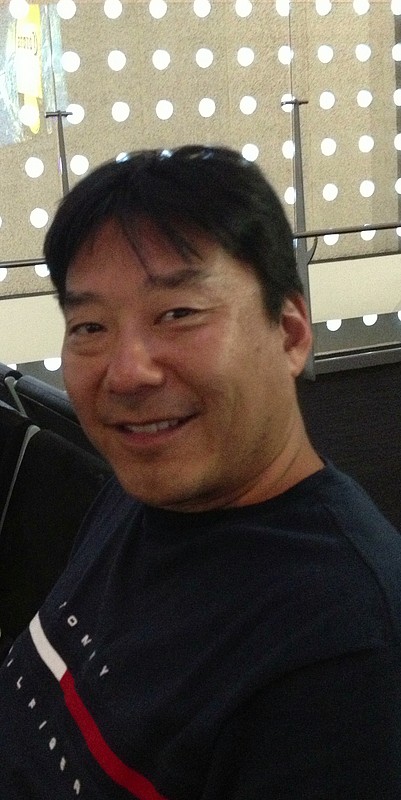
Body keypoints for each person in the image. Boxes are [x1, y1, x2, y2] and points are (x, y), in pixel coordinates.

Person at [1, 145, 401, 799]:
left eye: (178, 314)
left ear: (290, 333)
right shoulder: (136, 493)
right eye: (90, 326)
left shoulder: (343, 649)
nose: (127, 373)